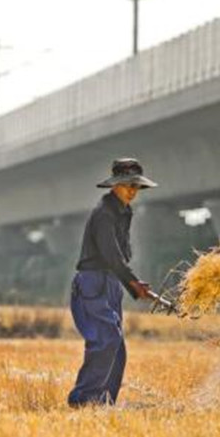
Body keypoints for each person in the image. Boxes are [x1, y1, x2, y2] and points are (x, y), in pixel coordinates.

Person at [67, 158, 157, 408]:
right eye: (127, 185)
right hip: (93, 282)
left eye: (136, 187)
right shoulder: (104, 214)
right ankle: (83, 401)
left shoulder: (124, 211)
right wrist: (133, 282)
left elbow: (120, 255)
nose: (132, 191)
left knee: (116, 348)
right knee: (106, 339)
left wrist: (129, 282)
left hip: (111, 283)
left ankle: (104, 403)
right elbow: (110, 254)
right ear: (114, 185)